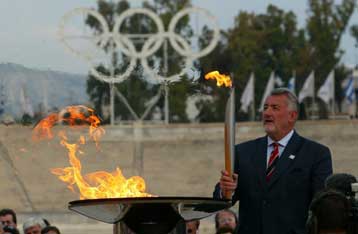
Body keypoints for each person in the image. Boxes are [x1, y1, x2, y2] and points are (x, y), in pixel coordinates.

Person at [214, 88, 333, 234]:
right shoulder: (242, 152)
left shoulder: (316, 154)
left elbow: (322, 205)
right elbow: (220, 199)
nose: (267, 113)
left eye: (275, 108)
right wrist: (226, 191)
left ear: (292, 115)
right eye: (265, 108)